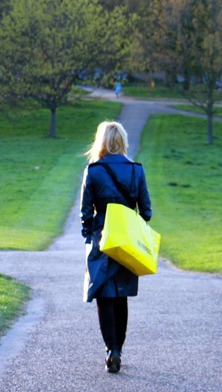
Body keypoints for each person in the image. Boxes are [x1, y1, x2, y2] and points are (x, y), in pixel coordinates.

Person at [79, 121, 152, 373]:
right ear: (122, 141)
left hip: (102, 237)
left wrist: (89, 235)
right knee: (121, 295)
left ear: (101, 142)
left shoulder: (93, 171)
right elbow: (146, 211)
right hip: (127, 238)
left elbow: (85, 213)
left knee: (103, 294)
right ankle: (118, 348)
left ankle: (111, 349)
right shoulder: (136, 170)